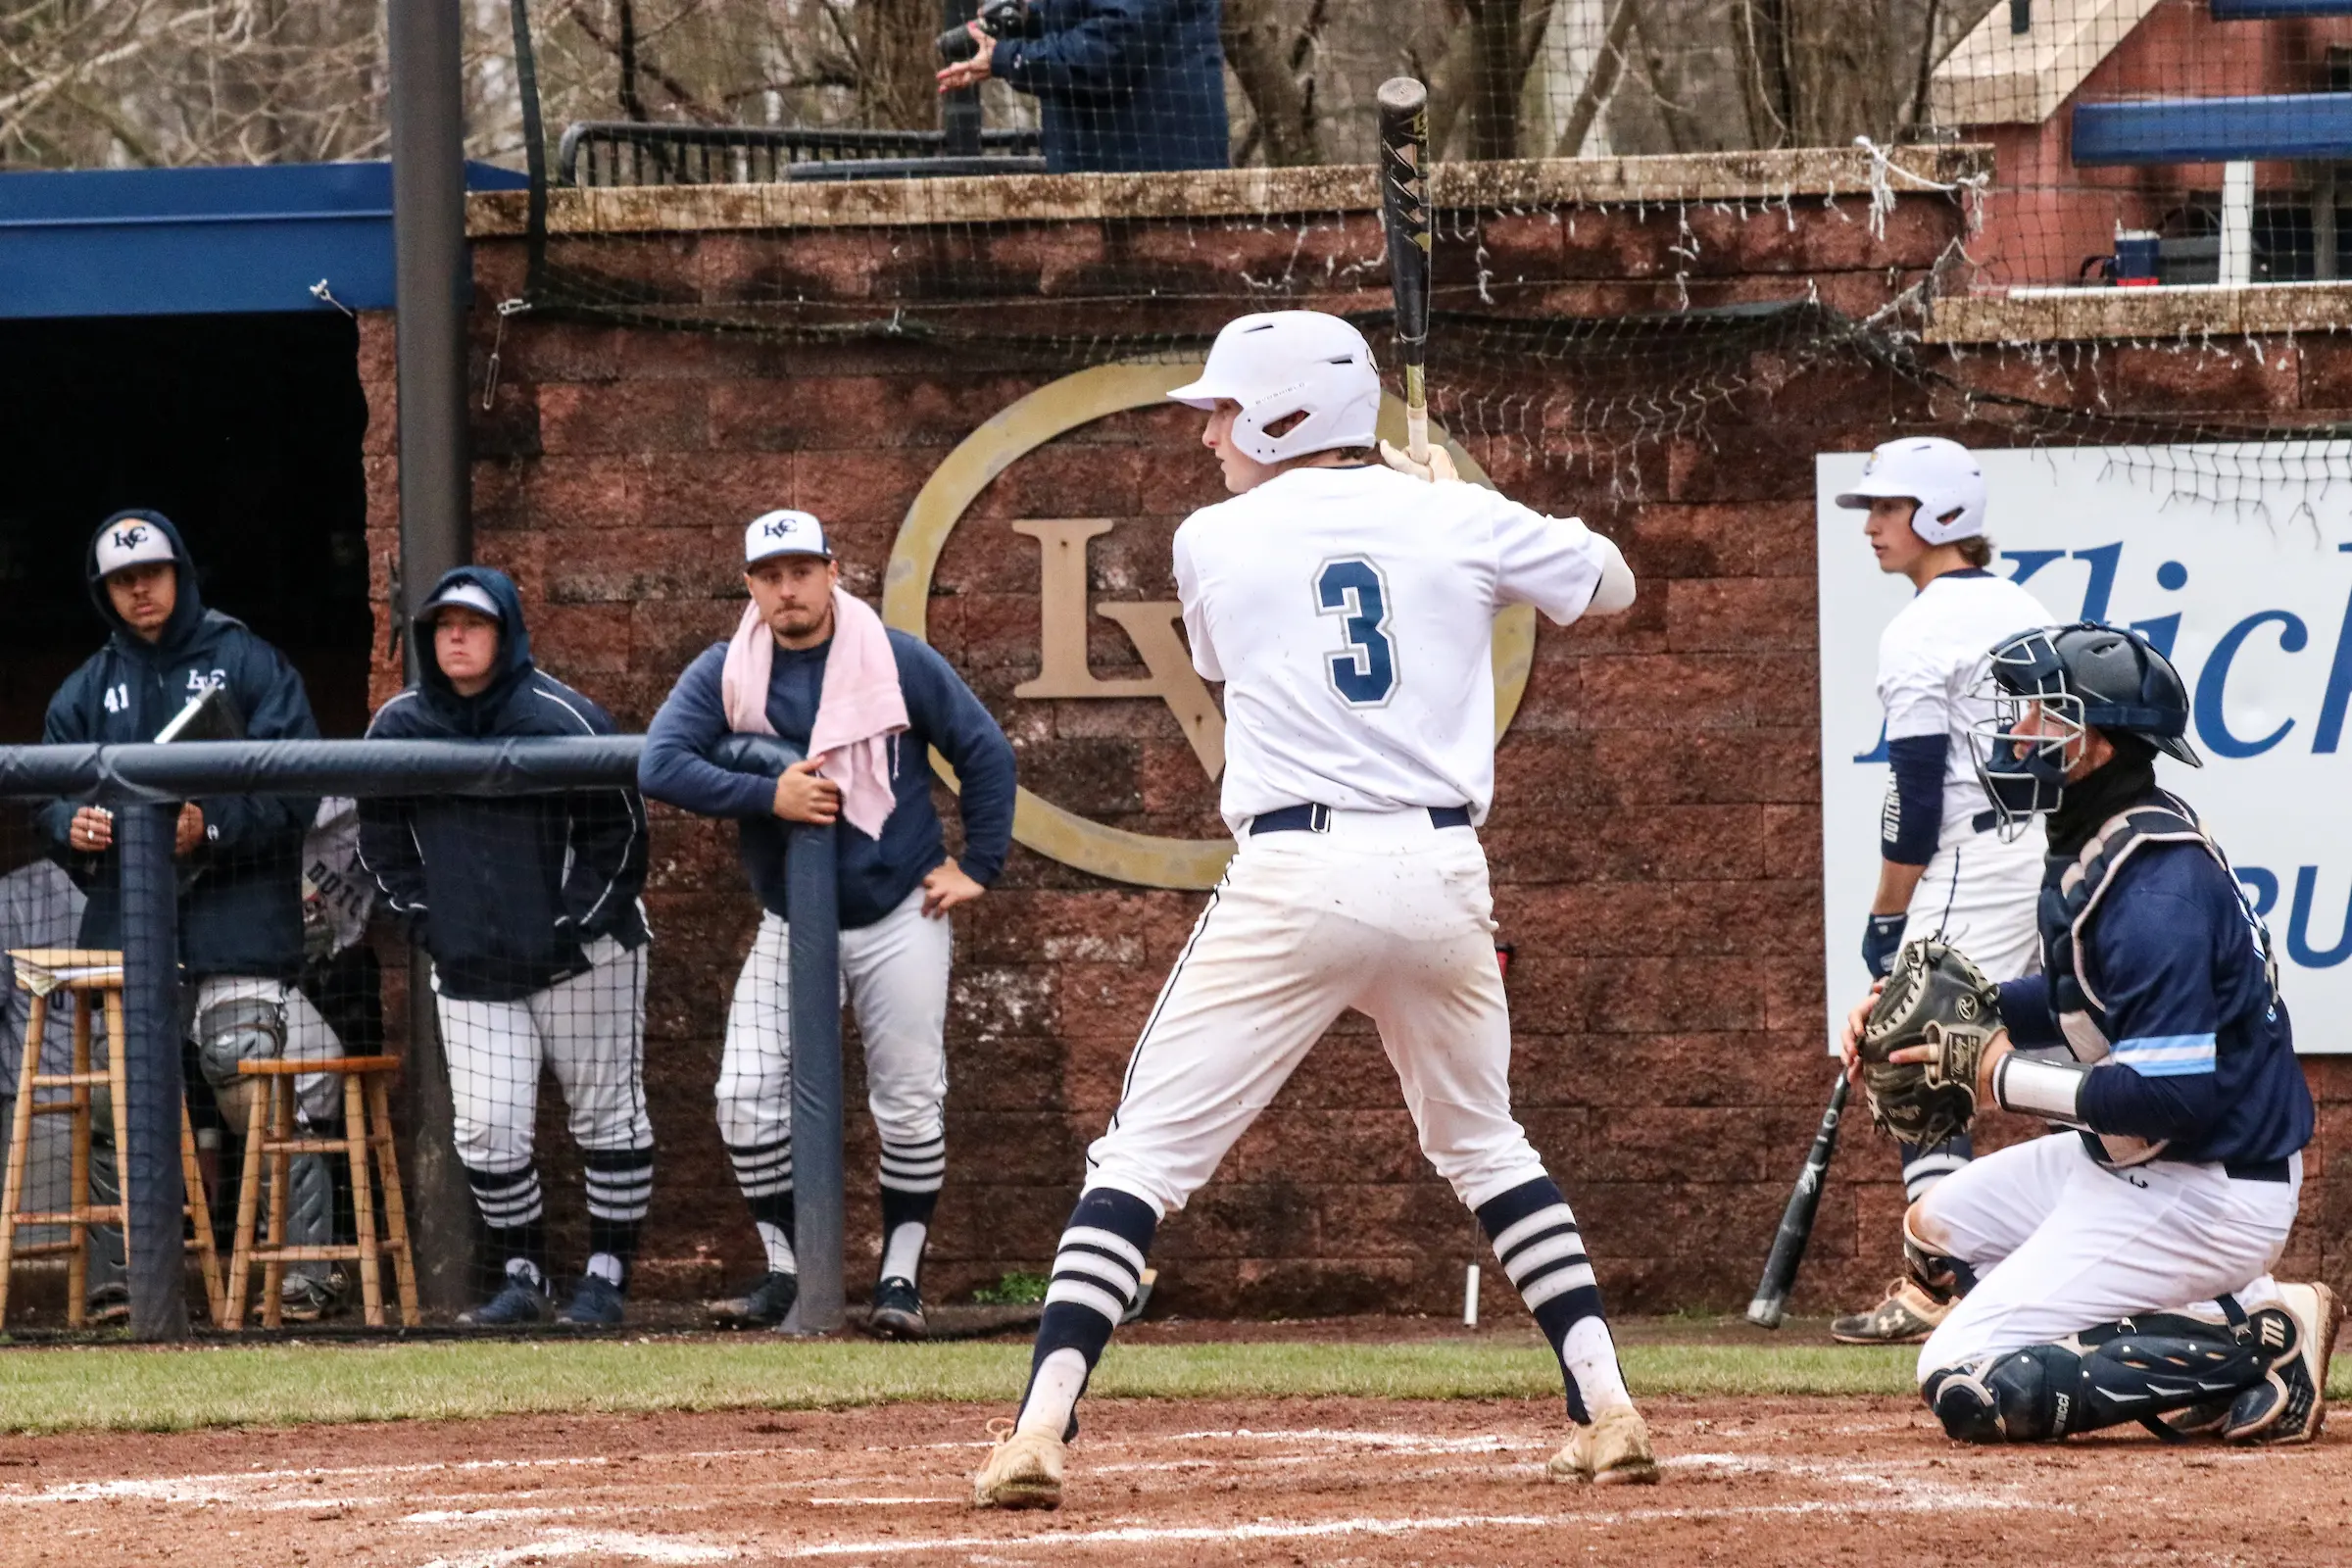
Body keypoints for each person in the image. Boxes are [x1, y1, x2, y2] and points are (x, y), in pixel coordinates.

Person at [970, 310, 1651, 1510]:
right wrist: (1467, 509)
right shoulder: (1455, 515)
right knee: (1486, 1143)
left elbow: (1248, 660)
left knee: (1143, 1155)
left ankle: (1036, 1430)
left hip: (1294, 875)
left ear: (1289, 414)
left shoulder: (1211, 540)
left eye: (1225, 411)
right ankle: (1606, 1406)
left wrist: (1437, 521)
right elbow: (1610, 585)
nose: (1209, 437)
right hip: (1440, 875)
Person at [1843, 621, 2329, 1445]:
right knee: (1933, 1224)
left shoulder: (2155, 894)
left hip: (2209, 1188)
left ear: (2097, 746)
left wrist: (1997, 1074)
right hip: (2144, 1164)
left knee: (1961, 1378)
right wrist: (1964, 1010)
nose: (2016, 731)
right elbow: (2086, 1002)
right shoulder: (2108, 838)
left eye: (2042, 715)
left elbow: (2167, 1097)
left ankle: (2255, 1348)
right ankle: (2246, 1307)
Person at [639, 510, 1016, 1341]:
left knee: (911, 1100)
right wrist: (763, 794)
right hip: (792, 918)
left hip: (898, 907)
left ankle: (900, 1280)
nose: (788, 588)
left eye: (802, 570)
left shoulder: (896, 656)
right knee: (743, 1094)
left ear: (832, 571)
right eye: (771, 575)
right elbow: (659, 764)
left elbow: (984, 749)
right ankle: (788, 1270)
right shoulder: (726, 670)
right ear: (750, 586)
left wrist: (978, 866)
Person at [37, 510, 333, 1323]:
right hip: (131, 926)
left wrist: (215, 821)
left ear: (182, 572)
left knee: (249, 1074)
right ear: (105, 593)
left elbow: (301, 787)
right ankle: (120, 1284)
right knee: (114, 1103)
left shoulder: (247, 661)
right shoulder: (88, 686)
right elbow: (42, 798)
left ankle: (302, 1279)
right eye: (122, 581)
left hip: (236, 919)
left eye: (153, 573)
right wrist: (73, 826)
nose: (140, 590)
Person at [359, 568, 654, 1328]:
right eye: (444, 624)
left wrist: (568, 927)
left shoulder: (566, 716)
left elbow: (620, 837)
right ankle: (524, 1274)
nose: (457, 635)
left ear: (506, 632)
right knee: (486, 1128)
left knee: (606, 1118)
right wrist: (436, 924)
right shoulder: (397, 727)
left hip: (585, 961)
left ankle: (606, 1277)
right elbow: (381, 847)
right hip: (472, 968)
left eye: (474, 623)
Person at [1827, 438, 2051, 1347]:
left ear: (1939, 517)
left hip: (1971, 859)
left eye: (1890, 509)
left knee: (1910, 1051)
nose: (1874, 526)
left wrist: (1887, 912)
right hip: (2047, 851)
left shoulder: (1919, 629)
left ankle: (1942, 1281)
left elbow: (1917, 805)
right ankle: (2010, 1266)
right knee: (2057, 1040)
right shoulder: (2027, 607)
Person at [933, 0, 1227, 173]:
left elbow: (1111, 48)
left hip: (1155, 169)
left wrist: (1009, 58)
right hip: (1103, 167)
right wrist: (1027, 21)